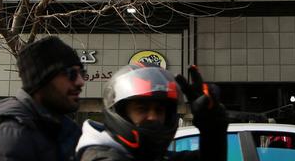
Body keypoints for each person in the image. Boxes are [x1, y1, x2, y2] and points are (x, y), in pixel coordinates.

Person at [0, 36, 85, 161]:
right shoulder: (9, 139)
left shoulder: (61, 129)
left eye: (82, 73)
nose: (80, 82)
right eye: (70, 74)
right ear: (41, 81)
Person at [75, 64, 228, 161]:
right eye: (142, 109)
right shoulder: (100, 156)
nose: (153, 117)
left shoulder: (150, 156)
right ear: (120, 113)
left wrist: (213, 130)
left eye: (159, 110)